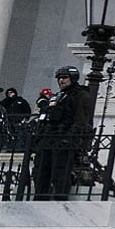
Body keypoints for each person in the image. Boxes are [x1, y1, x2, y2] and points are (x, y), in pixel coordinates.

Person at [33, 65, 93, 200]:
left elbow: (81, 120)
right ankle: (39, 200)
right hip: (47, 139)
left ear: (73, 78)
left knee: (59, 173)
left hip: (63, 141)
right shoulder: (57, 96)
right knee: (40, 172)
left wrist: (68, 138)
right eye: (59, 78)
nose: (61, 81)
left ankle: (60, 201)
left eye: (65, 78)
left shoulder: (81, 95)